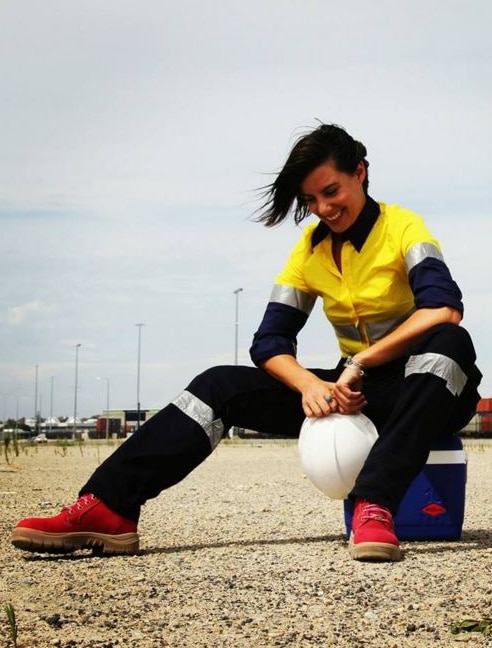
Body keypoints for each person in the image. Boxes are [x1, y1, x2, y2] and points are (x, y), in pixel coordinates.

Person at [12, 123, 481, 562]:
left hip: (429, 390)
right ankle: (108, 506)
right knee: (218, 385)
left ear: (360, 173)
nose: (322, 208)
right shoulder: (310, 250)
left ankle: (375, 505)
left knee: (449, 341)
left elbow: (444, 307)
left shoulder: (403, 228)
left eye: (331, 191)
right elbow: (269, 341)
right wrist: (309, 387)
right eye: (310, 199)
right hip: (354, 393)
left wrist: (359, 362)